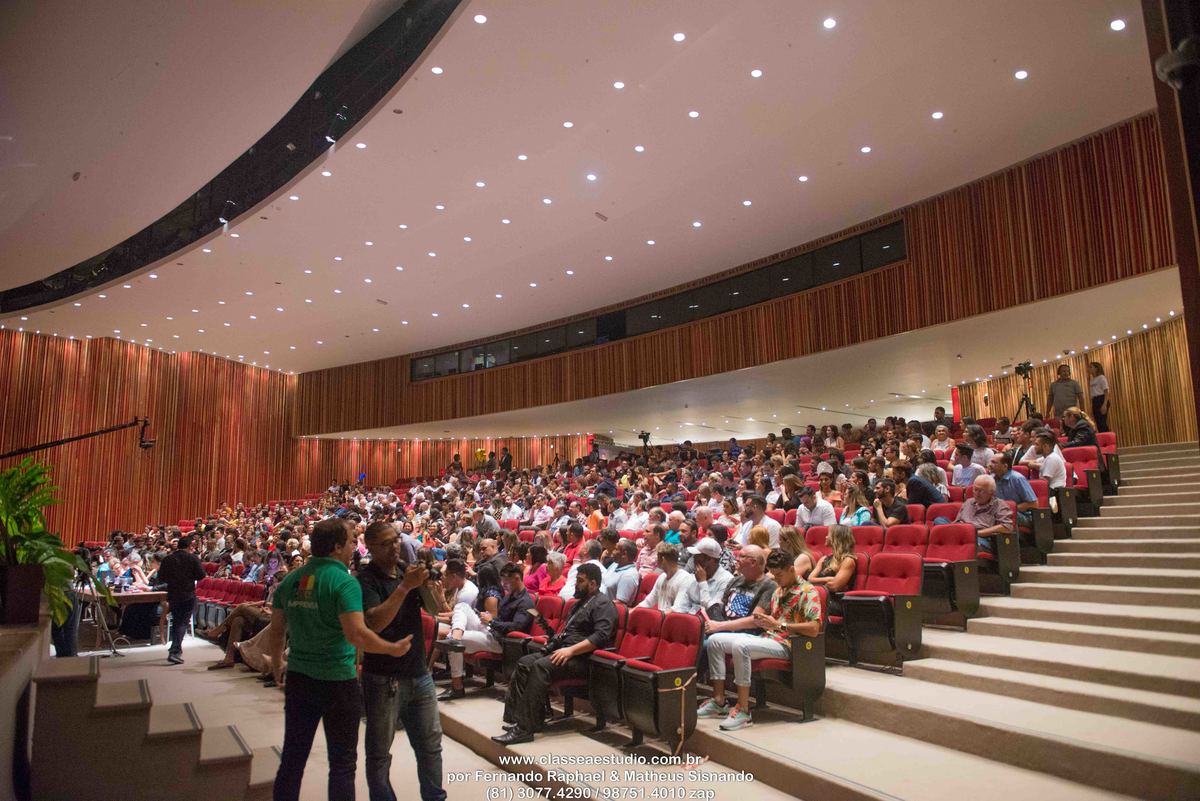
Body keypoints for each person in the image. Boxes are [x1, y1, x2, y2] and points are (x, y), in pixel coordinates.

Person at [266, 518, 415, 801]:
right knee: (343, 764)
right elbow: (357, 633)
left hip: (298, 679)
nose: (354, 547)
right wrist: (391, 648)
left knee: (292, 759)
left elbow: (276, 631)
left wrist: (276, 664)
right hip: (337, 683)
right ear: (337, 547)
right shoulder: (345, 583)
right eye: (350, 542)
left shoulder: (291, 580)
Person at [357, 521, 445, 801]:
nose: (394, 547)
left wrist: (427, 586)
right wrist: (406, 587)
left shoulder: (408, 570)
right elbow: (375, 622)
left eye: (396, 540)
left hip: (419, 673)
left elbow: (434, 609)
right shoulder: (366, 579)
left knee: (431, 747)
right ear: (371, 547)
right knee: (379, 753)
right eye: (386, 543)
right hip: (383, 678)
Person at [492, 563, 617, 745]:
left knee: (540, 667)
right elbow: (567, 632)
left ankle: (524, 730)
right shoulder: (579, 604)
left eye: (580, 581)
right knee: (525, 662)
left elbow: (601, 636)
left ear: (593, 583)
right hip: (564, 652)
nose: (576, 584)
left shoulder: (603, 604)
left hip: (584, 659)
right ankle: (522, 719)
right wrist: (554, 643)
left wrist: (571, 650)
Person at [702, 549, 821, 733]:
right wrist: (764, 621)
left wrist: (779, 625)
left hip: (789, 644)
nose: (776, 579)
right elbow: (770, 621)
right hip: (768, 638)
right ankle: (719, 701)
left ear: (791, 569)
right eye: (773, 575)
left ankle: (743, 710)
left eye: (779, 575)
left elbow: (814, 629)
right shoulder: (779, 590)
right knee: (715, 641)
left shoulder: (808, 591)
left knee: (741, 646)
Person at [696, 545, 778, 730]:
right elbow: (723, 607)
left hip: (747, 633)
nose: (735, 560)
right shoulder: (735, 581)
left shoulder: (768, 585)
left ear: (753, 562)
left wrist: (719, 627)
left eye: (741, 556)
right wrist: (711, 617)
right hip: (724, 628)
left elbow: (755, 620)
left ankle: (687, 689)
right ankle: (718, 701)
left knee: (706, 644)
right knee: (696, 638)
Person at [438, 562, 533, 700]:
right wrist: (488, 619)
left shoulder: (526, 602)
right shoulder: (510, 595)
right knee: (462, 606)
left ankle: (457, 687)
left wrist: (492, 621)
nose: (503, 584)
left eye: (506, 581)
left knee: (450, 638)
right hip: (491, 630)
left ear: (517, 578)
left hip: (501, 641)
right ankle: (456, 637)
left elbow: (516, 626)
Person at [156, 534, 206, 665]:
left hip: (173, 593)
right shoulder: (192, 558)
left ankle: (176, 648)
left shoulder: (168, 558)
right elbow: (201, 575)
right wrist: (189, 577)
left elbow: (161, 577)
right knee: (182, 622)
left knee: (177, 621)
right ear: (189, 546)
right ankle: (175, 651)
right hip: (187, 593)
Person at [950, 475, 1015, 555]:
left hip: (981, 538)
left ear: (992, 492)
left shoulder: (1000, 505)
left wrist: (978, 533)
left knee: (973, 545)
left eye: (981, 491)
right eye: (975, 490)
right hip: (961, 534)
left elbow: (1007, 527)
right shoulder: (968, 502)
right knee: (940, 521)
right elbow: (957, 521)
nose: (977, 494)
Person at [806, 525, 857, 617]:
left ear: (836, 538)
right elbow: (810, 579)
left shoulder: (848, 560)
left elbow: (834, 586)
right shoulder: (824, 559)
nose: (826, 537)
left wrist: (817, 583)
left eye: (828, 534)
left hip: (835, 601)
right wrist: (829, 579)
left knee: (803, 603)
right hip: (819, 597)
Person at [638, 542, 697, 612]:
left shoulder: (685, 579)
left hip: (672, 618)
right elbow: (648, 602)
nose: (656, 560)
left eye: (657, 556)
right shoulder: (662, 577)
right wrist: (632, 612)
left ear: (663, 559)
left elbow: (676, 608)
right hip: (661, 615)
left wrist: (658, 618)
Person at [989, 452, 1038, 530]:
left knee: (1003, 516)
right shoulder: (990, 479)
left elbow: (1033, 504)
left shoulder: (1017, 479)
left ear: (1005, 466)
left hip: (1022, 516)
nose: (990, 465)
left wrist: (1009, 509)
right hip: (999, 514)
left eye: (994, 462)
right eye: (991, 461)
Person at [602, 539, 640, 605]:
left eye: (616, 549)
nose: (612, 552)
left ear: (624, 554)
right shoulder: (615, 564)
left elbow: (620, 604)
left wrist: (597, 603)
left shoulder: (628, 576)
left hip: (607, 609)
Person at [1088, 362, 1112, 433]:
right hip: (1095, 400)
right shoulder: (1092, 380)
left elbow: (1106, 391)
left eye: (1091, 367)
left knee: (1102, 422)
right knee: (1098, 422)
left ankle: (1107, 437)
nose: (1089, 369)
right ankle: (1103, 436)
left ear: (1096, 368)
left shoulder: (1101, 377)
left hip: (1101, 399)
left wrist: (1104, 404)